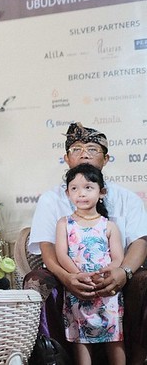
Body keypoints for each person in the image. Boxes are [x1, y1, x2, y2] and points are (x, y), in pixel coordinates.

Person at [25, 123, 147, 364]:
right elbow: (48, 248)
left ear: (106, 158)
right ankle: (55, 358)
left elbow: (140, 243)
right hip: (68, 277)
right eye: (77, 149)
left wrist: (123, 272)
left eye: (92, 148)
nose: (84, 154)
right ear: (66, 158)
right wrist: (66, 276)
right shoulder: (51, 199)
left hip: (115, 278)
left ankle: (139, 358)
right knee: (36, 280)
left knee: (145, 280)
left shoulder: (127, 198)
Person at [56, 163, 125, 365]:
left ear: (101, 192)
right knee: (81, 337)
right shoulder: (64, 223)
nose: (81, 193)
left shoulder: (109, 225)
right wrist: (79, 275)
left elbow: (118, 258)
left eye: (88, 187)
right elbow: (61, 254)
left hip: (106, 289)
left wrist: (106, 273)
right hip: (79, 288)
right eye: (74, 188)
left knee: (114, 336)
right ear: (67, 194)